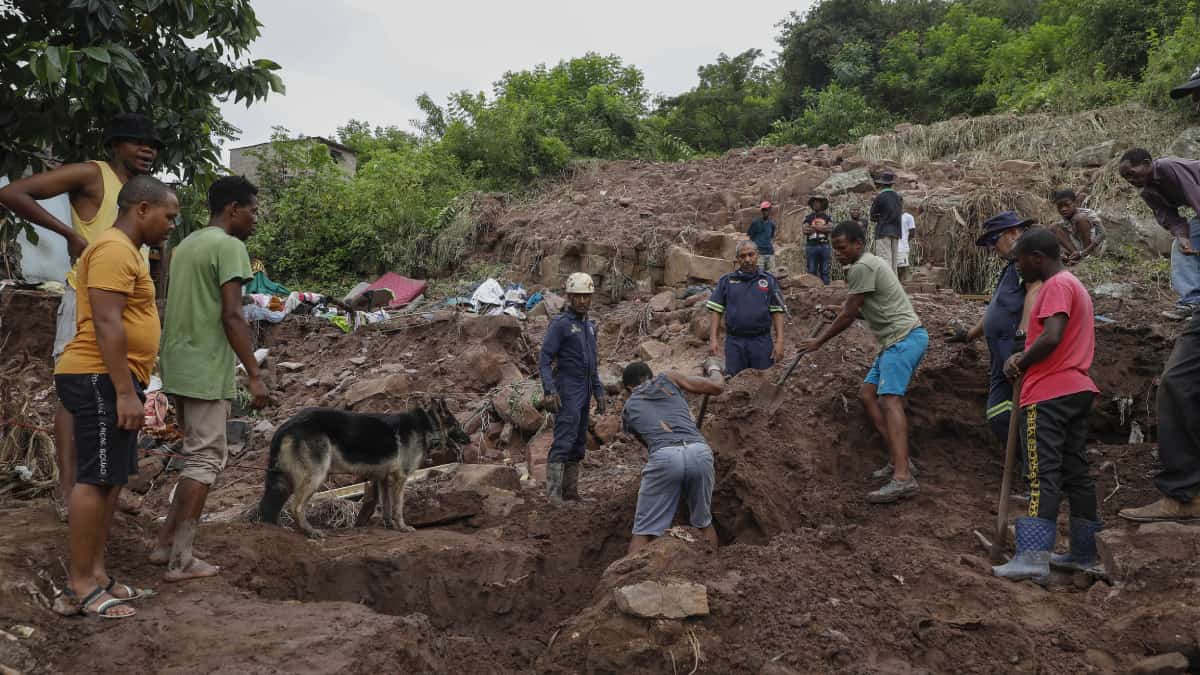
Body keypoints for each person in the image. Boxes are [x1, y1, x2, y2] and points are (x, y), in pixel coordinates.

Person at [0, 113, 161, 512]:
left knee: (117, 391)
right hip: (87, 298)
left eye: (153, 146)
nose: (147, 150)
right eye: (136, 142)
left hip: (122, 299)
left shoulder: (139, 193)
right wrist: (70, 234)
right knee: (75, 395)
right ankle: (67, 491)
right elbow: (14, 193)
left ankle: (106, 484)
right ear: (114, 145)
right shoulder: (92, 175)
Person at [51, 176, 177, 618]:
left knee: (110, 480)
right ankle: (79, 584)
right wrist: (125, 392)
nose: (171, 226)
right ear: (142, 209)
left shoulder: (130, 253)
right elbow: (107, 322)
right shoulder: (113, 250)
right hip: (97, 377)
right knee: (95, 477)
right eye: (169, 216)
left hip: (115, 379)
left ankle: (97, 575)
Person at [150, 176, 269, 582]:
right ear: (232, 209)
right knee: (205, 460)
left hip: (177, 363)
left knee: (193, 455)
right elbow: (232, 314)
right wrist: (254, 374)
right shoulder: (230, 246)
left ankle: (165, 543)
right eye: (253, 210)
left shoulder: (185, 245)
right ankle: (181, 559)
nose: (256, 218)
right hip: (204, 366)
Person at [993, 228, 1101, 584]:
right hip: (1076, 389)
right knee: (1076, 474)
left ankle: (1032, 557)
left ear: (1037, 257)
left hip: (1049, 392)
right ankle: (1084, 555)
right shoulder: (1075, 285)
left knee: (1043, 473)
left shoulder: (1055, 286)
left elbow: (1052, 336)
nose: (1018, 267)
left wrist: (1021, 360)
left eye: (1019, 260)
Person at [800, 221, 928, 504]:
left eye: (842, 248)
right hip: (895, 341)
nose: (838, 254)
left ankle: (903, 478)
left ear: (859, 244)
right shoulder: (867, 265)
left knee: (889, 400)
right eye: (835, 249)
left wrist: (818, 342)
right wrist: (839, 310)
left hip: (903, 339)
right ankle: (899, 460)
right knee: (867, 395)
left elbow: (848, 316)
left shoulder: (863, 267)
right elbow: (857, 310)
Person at [947, 213, 1040, 445]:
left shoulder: (1024, 264)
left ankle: (1036, 468)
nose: (992, 249)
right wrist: (969, 334)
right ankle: (1025, 462)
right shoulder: (1009, 268)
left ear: (1011, 234)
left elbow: (1035, 293)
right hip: (1000, 359)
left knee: (1028, 415)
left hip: (1015, 353)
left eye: (992, 241)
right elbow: (996, 309)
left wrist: (1022, 337)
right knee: (999, 415)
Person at [622, 359, 725, 555]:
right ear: (651, 375)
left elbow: (649, 445)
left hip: (665, 455)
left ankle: (630, 580)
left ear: (629, 387)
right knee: (703, 522)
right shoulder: (669, 377)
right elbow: (717, 386)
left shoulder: (628, 409)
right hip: (699, 450)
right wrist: (713, 367)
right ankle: (713, 570)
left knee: (643, 531)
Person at [539, 272, 606, 505]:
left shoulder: (589, 326)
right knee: (564, 440)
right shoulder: (560, 325)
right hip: (567, 390)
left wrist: (599, 392)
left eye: (586, 297)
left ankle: (571, 493)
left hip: (585, 391)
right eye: (577, 297)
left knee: (578, 442)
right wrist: (549, 390)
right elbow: (544, 359)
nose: (582, 301)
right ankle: (554, 497)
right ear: (568, 297)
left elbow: (592, 363)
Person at [1118, 148, 1200, 321]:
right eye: (1127, 178)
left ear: (1147, 164)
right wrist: (1183, 236)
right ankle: (1192, 303)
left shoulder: (1166, 166)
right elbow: (1167, 216)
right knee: (1180, 246)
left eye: (1132, 173)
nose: (1131, 180)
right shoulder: (1147, 191)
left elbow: (1194, 192)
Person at [707, 241, 786, 377]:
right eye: (743, 256)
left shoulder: (768, 280)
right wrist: (713, 339)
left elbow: (777, 311)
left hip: (762, 341)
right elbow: (716, 311)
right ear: (737, 259)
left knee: (762, 379)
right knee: (735, 381)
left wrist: (780, 341)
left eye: (751, 255)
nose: (747, 260)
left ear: (757, 255)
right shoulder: (726, 281)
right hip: (734, 342)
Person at [1051, 189, 1106, 266]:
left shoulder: (1088, 213)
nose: (1063, 209)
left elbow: (1102, 233)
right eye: (1059, 207)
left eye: (1067, 205)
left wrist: (1083, 252)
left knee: (1079, 218)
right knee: (1054, 227)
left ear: (1075, 203)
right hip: (1077, 251)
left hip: (1091, 249)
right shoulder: (1063, 221)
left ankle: (1084, 257)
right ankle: (1074, 257)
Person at [869, 170, 902, 274]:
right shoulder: (898, 197)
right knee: (894, 262)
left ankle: (887, 286)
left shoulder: (880, 197)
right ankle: (895, 286)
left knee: (884, 260)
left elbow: (872, 215)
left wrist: (880, 218)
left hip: (883, 231)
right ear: (891, 184)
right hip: (896, 232)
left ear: (882, 184)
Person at [803, 194, 833, 285]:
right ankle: (813, 289)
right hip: (811, 246)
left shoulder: (827, 217)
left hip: (824, 245)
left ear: (822, 204)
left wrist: (814, 227)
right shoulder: (808, 217)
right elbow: (805, 230)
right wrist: (822, 227)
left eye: (818, 203)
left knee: (825, 270)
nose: (816, 204)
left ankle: (826, 289)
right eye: (814, 203)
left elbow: (830, 228)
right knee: (811, 269)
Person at [747, 201, 777, 272]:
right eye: (763, 210)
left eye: (766, 210)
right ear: (761, 211)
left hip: (770, 253)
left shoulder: (772, 224)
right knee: (759, 275)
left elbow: (771, 237)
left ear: (770, 210)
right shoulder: (755, 222)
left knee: (771, 274)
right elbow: (750, 237)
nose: (765, 212)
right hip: (759, 254)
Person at [896, 211, 917, 280]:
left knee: (900, 269)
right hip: (897, 248)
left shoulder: (908, 217)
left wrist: (904, 240)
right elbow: (912, 233)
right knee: (900, 270)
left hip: (900, 248)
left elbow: (912, 232)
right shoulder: (908, 217)